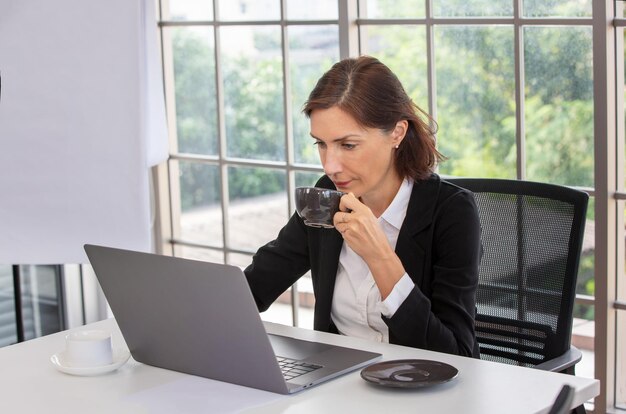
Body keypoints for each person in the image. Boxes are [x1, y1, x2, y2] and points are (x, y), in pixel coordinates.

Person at [244, 55, 481, 358]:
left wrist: (379, 255)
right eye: (321, 144)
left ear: (397, 132)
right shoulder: (327, 195)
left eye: (348, 145)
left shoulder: (451, 212)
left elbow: (455, 355)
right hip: (339, 384)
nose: (330, 166)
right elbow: (255, 287)